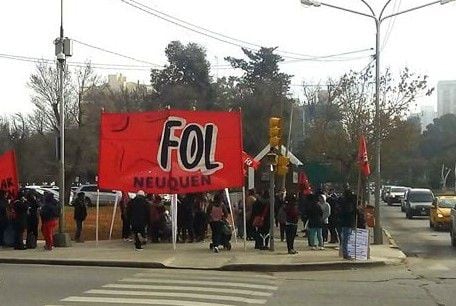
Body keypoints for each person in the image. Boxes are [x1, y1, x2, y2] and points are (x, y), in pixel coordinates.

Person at [339, 187, 357, 260]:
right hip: (347, 222)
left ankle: (346, 253)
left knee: (346, 239)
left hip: (345, 222)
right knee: (346, 239)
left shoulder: (344, 202)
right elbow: (349, 211)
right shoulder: (348, 203)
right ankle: (345, 254)